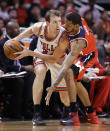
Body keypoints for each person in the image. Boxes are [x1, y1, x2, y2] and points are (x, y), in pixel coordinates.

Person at [8, 10, 70, 125]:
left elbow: (54, 59)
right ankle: (37, 113)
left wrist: (30, 53)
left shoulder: (64, 36)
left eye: (59, 21)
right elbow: (28, 31)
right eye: (54, 22)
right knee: (40, 72)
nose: (58, 25)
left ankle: (67, 112)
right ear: (47, 23)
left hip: (58, 59)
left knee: (64, 93)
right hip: (41, 55)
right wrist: (14, 40)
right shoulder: (39, 27)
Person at [45, 12, 102, 126]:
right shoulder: (76, 19)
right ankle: (91, 115)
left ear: (76, 26)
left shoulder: (79, 42)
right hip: (81, 51)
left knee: (69, 72)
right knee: (77, 84)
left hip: (87, 55)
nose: (65, 26)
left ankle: (74, 114)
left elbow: (65, 66)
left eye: (68, 25)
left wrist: (53, 86)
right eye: (65, 23)